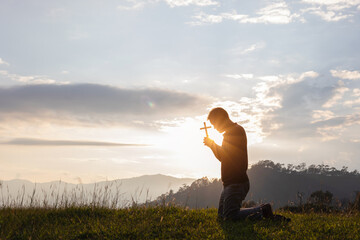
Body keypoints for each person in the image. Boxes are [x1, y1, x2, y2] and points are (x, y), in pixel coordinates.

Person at [203, 107, 274, 221]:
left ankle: (262, 210)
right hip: (229, 183)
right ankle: (259, 212)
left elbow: (224, 155)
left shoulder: (234, 132)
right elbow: (224, 157)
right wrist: (212, 146)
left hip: (236, 182)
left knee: (231, 216)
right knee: (222, 217)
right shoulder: (231, 132)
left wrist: (212, 144)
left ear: (220, 119)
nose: (215, 128)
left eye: (214, 124)